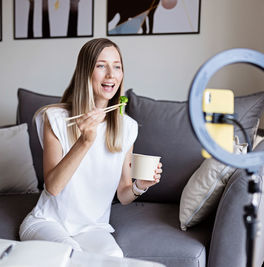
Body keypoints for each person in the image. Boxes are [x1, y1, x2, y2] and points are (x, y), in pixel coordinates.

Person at [19, 38, 163, 258]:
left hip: (92, 229)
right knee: (71, 255)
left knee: (115, 258)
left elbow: (124, 195)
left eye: (117, 66)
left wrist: (141, 185)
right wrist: (84, 141)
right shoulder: (55, 118)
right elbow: (53, 187)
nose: (111, 75)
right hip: (47, 222)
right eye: (101, 65)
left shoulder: (127, 128)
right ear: (86, 72)